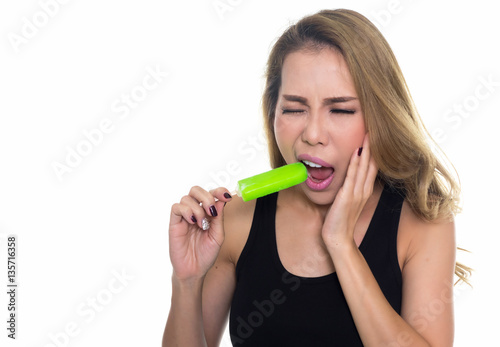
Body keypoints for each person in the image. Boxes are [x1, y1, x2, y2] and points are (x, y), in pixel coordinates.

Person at [162, 8, 471, 347]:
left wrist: (340, 244)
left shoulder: (421, 221)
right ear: (273, 113)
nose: (312, 134)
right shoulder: (237, 219)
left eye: (340, 110)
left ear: (380, 118)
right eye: (294, 109)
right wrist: (187, 282)